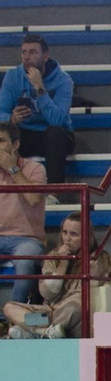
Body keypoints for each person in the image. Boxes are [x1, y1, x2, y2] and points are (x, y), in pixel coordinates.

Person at [5, 212, 105, 339]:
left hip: (68, 314)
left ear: (86, 237)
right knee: (10, 308)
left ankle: (29, 330)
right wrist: (63, 263)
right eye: (64, 232)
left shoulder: (97, 259)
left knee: (75, 306)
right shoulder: (53, 256)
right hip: (46, 317)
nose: (67, 239)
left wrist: (60, 308)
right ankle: (43, 332)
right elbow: (47, 293)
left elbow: (81, 296)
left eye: (73, 234)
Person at [0, 35, 75, 186]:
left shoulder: (63, 80)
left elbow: (58, 120)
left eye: (33, 52)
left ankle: (54, 193)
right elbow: (2, 111)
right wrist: (11, 119)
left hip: (54, 136)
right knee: (4, 137)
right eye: (24, 52)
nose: (27, 57)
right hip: (24, 134)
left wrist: (40, 88)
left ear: (45, 56)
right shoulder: (13, 76)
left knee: (56, 134)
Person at [0, 120, 45, 310]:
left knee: (25, 261)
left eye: (1, 141)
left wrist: (12, 169)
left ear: (15, 144)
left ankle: (15, 316)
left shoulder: (35, 168)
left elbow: (34, 198)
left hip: (27, 239)